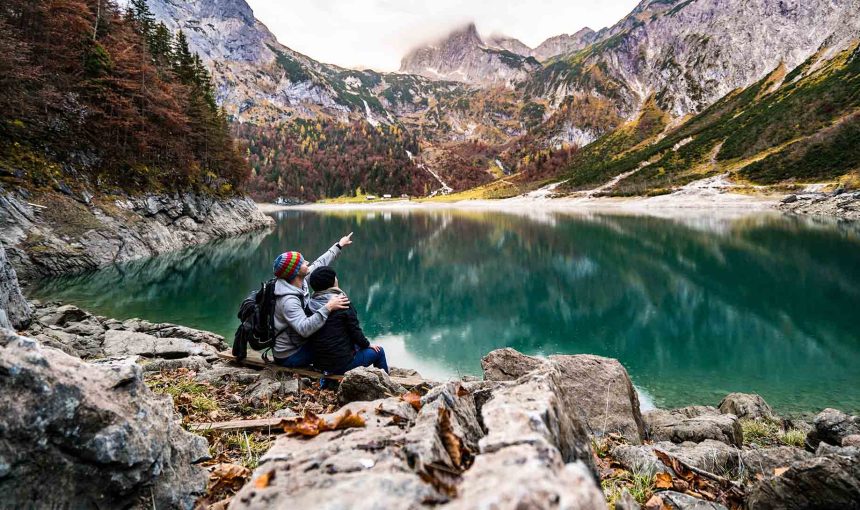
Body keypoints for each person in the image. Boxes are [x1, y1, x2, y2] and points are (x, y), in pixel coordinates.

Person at [271, 233, 354, 367]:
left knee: (337, 339)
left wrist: (339, 245)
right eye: (303, 262)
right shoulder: (288, 301)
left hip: (299, 342)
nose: (307, 262)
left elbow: (320, 263)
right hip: (290, 354)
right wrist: (328, 307)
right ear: (296, 271)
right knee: (337, 346)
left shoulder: (298, 280)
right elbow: (304, 329)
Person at [307, 266, 388, 374]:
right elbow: (355, 331)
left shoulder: (310, 305)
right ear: (332, 282)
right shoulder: (343, 303)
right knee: (379, 351)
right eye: (335, 277)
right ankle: (387, 384)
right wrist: (368, 345)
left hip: (319, 363)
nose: (337, 278)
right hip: (341, 364)